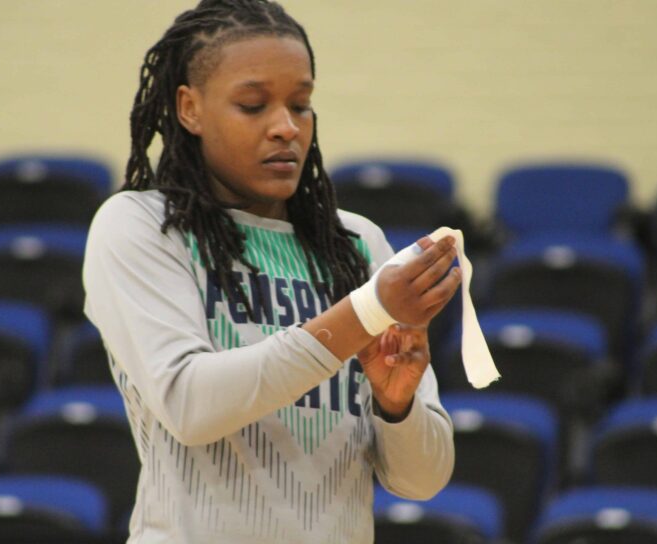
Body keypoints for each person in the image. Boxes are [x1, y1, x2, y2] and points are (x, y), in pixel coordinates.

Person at [82, 1, 461, 542]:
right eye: (253, 105)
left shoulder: (357, 243)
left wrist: (395, 405)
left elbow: (422, 482)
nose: (286, 128)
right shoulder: (140, 225)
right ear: (189, 108)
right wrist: (364, 314)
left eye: (301, 105)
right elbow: (190, 405)